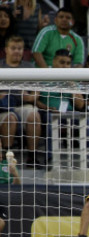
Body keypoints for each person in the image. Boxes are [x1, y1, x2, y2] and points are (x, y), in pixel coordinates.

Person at [1, 36, 42, 166]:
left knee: (33, 115)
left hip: (24, 105)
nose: (17, 51)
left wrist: (31, 97)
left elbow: (37, 91)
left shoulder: (29, 67)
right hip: (3, 107)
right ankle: (7, 157)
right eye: (13, 48)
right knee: (10, 118)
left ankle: (32, 156)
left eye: (20, 49)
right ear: (6, 50)